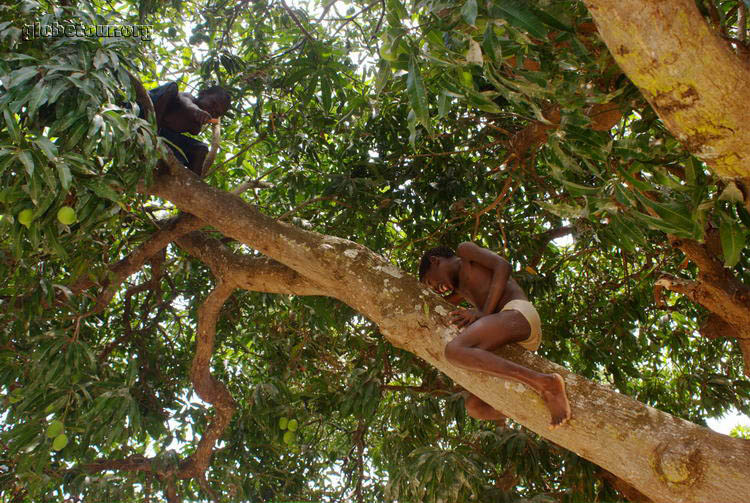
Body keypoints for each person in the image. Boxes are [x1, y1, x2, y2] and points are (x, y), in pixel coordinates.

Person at [418, 242, 571, 428]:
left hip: (518, 314)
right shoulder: (459, 288)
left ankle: (546, 383)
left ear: (435, 261)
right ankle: (535, 414)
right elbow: (433, 302)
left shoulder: (465, 253)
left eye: (430, 281)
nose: (435, 288)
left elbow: (502, 266)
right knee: (475, 407)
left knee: (454, 350)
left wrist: (483, 313)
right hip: (503, 332)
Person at [140, 82, 231, 176]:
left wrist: (199, 119)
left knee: (201, 148)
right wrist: (196, 111)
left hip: (160, 137)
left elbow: (195, 131)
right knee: (172, 87)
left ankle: (193, 185)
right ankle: (151, 131)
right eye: (213, 103)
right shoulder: (188, 97)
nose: (212, 110)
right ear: (203, 94)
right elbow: (187, 103)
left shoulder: (195, 124)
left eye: (216, 113)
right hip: (141, 116)